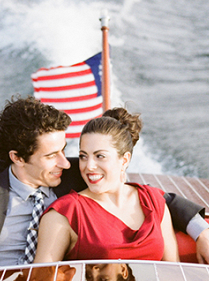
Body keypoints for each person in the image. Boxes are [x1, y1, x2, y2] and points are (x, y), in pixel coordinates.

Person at [0, 96, 209, 278]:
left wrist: (201, 230)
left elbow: (156, 199)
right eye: (53, 154)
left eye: (65, 150)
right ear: (17, 157)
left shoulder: (73, 175)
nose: (68, 162)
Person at [34, 108, 179, 264]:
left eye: (100, 156)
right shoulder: (64, 214)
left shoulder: (153, 200)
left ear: (124, 160)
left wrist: (202, 231)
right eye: (83, 156)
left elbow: (173, 270)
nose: (89, 166)